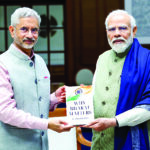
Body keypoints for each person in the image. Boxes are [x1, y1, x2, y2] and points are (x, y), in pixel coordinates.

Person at [0, 7, 72, 150]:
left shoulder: (40, 62)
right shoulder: (2, 63)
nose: (30, 35)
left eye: (34, 30)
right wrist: (47, 124)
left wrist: (54, 99)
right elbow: (6, 112)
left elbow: (33, 102)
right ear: (12, 30)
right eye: (24, 29)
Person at [83, 9, 150, 150]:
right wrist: (82, 94)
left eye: (122, 28)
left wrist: (114, 121)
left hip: (131, 143)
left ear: (134, 30)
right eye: (112, 29)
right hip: (99, 141)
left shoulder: (147, 60)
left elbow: (148, 106)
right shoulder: (102, 58)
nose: (117, 33)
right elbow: (96, 94)